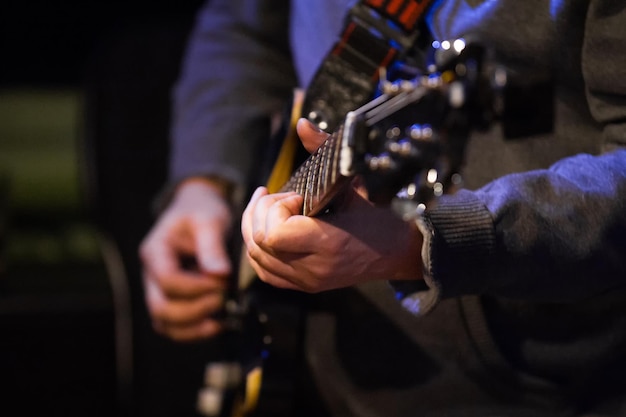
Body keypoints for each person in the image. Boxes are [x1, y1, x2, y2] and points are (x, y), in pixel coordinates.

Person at [139, 0, 626, 415]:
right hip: (314, 355)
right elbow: (245, 25)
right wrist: (205, 182)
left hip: (534, 378)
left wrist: (427, 242)